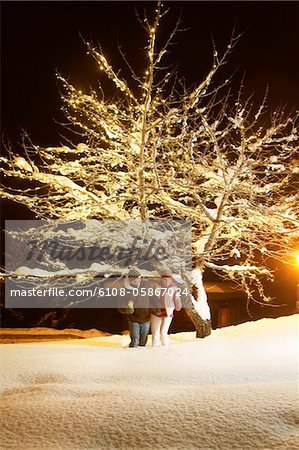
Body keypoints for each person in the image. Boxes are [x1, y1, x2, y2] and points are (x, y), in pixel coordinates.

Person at [118, 267, 151, 348]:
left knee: (143, 341)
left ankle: (142, 358)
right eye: (137, 278)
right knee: (135, 341)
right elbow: (120, 305)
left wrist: (156, 308)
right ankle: (132, 356)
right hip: (134, 319)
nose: (140, 280)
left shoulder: (145, 287)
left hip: (146, 318)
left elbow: (153, 299)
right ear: (132, 280)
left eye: (140, 278)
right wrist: (126, 310)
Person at [151, 269, 182, 347]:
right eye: (164, 279)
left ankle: (165, 347)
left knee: (164, 332)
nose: (166, 281)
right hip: (156, 312)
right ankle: (154, 348)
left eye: (168, 279)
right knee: (155, 332)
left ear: (170, 279)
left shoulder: (174, 288)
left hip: (168, 312)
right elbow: (151, 298)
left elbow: (177, 299)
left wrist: (178, 306)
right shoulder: (156, 286)